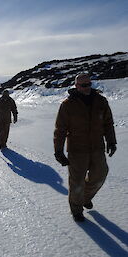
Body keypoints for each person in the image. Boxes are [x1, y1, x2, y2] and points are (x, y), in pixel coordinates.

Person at [54, 73, 117, 222]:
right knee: (77, 181)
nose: (87, 87)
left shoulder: (101, 101)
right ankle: (76, 209)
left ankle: (85, 197)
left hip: (97, 148)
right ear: (76, 86)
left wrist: (111, 141)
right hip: (77, 150)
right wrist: (58, 150)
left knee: (100, 175)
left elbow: (108, 123)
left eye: (89, 84)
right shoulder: (68, 104)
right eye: (83, 85)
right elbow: (60, 129)